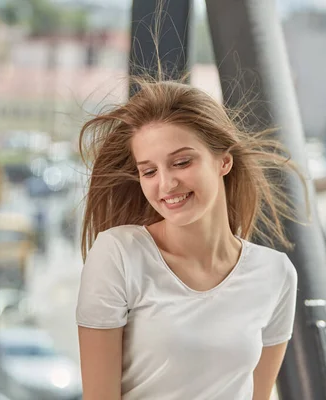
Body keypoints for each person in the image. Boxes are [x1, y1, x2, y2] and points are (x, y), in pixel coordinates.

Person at [75, 77, 308, 400]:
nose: (166, 184)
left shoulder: (275, 274)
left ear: (224, 161)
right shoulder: (119, 255)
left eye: (182, 162)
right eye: (149, 171)